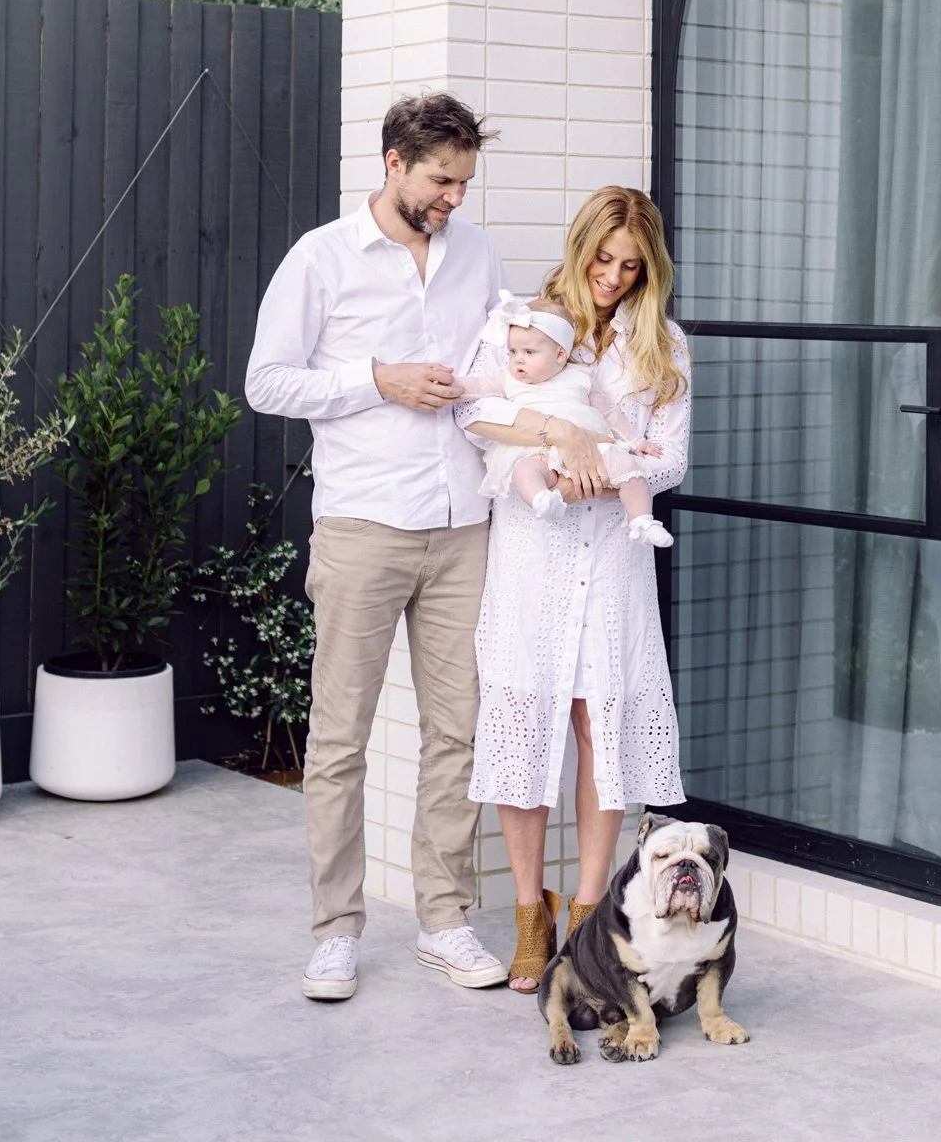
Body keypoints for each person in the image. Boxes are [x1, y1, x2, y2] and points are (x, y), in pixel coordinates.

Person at [244, 91, 510, 1002]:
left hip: (466, 525)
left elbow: (496, 366)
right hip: (363, 524)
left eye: (464, 183)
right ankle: (335, 933)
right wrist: (377, 380)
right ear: (394, 163)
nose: (454, 200)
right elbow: (267, 383)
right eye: (442, 181)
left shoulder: (476, 253)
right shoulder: (321, 258)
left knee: (459, 732)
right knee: (339, 737)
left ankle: (444, 920)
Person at [455, 187, 690, 993]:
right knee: (524, 716)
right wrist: (560, 446)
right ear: (579, 248)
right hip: (534, 551)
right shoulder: (524, 322)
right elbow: (473, 412)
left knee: (599, 722)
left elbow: (671, 459)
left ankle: (589, 918)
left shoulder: (664, 346)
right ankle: (532, 915)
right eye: (603, 259)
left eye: (632, 267)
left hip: (614, 557)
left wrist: (606, 475)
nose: (614, 277)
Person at [465, 290, 672, 545]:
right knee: (524, 471)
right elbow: (477, 386)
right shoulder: (507, 379)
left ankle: (642, 521)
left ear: (559, 355)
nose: (518, 360)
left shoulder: (580, 377)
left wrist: (636, 442)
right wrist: (453, 385)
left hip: (591, 448)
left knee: (630, 470)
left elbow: (610, 413)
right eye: (512, 352)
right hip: (538, 449)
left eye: (529, 352)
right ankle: (542, 499)